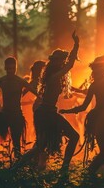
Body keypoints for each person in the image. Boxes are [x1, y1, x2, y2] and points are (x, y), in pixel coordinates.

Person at [14, 32, 80, 173]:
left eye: (62, 61)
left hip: (47, 112)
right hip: (46, 113)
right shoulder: (54, 76)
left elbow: (68, 64)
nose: (62, 63)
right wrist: (76, 44)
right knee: (70, 137)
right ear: (55, 62)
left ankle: (15, 168)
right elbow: (70, 64)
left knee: (41, 145)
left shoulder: (54, 75)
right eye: (60, 61)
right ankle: (64, 169)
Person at [60, 55, 104, 174]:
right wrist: (67, 111)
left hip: (100, 118)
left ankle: (90, 173)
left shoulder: (96, 85)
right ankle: (90, 173)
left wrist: (67, 111)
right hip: (103, 119)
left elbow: (83, 107)